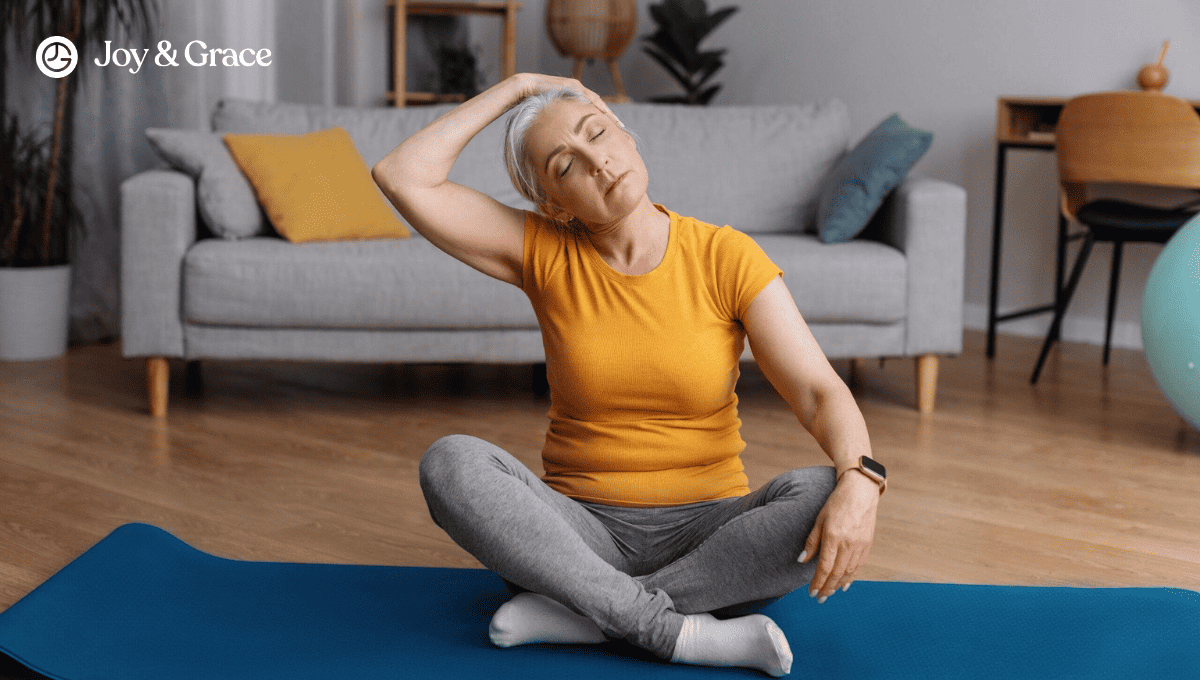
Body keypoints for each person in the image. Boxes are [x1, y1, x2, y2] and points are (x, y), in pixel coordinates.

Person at [372, 73, 883, 677]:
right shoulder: (542, 250)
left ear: (630, 138)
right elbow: (401, 174)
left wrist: (863, 480)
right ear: (553, 205)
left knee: (828, 489)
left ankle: (582, 615)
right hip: (578, 531)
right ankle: (674, 631)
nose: (597, 162)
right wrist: (517, 87)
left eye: (599, 135)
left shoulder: (726, 255)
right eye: (566, 166)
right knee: (450, 462)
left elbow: (818, 391)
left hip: (710, 536)